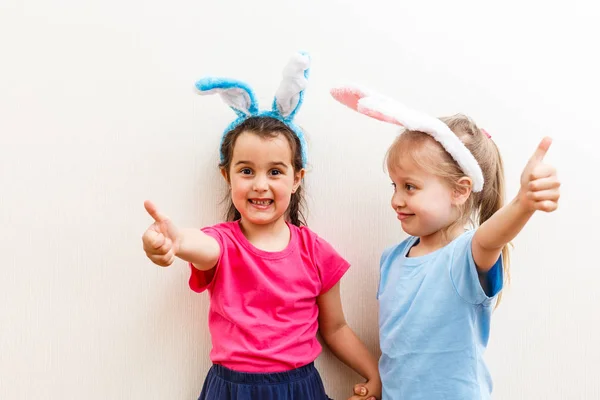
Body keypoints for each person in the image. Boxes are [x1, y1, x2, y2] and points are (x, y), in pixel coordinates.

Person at [142, 55, 381, 400]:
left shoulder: (317, 252)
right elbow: (200, 247)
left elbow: (336, 326)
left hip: (299, 388)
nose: (260, 185)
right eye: (246, 171)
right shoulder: (222, 243)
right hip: (231, 389)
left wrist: (371, 371)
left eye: (275, 172)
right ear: (227, 176)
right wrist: (174, 242)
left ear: (297, 178)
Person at [332, 85, 560, 399]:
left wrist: (523, 203)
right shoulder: (392, 259)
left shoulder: (465, 256)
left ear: (460, 190)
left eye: (410, 187)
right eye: (395, 186)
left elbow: (490, 238)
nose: (396, 200)